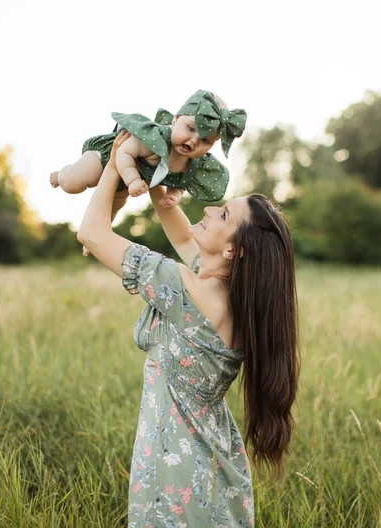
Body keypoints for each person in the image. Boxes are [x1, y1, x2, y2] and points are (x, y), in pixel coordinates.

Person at [77, 132, 300, 527]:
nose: (212, 209)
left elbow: (92, 233)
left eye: (225, 215)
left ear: (234, 249)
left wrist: (116, 161)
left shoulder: (182, 287)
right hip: (212, 464)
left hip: (174, 469)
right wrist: (159, 172)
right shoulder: (237, 299)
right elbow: (180, 233)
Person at [50, 90, 246, 214]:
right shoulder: (156, 139)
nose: (194, 140)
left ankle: (96, 236)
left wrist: (174, 196)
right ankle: (62, 174)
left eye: (205, 140)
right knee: (74, 183)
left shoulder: (194, 165)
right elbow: (124, 151)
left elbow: (180, 184)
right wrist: (133, 179)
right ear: (176, 119)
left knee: (114, 207)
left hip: (125, 183)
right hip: (108, 157)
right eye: (191, 128)